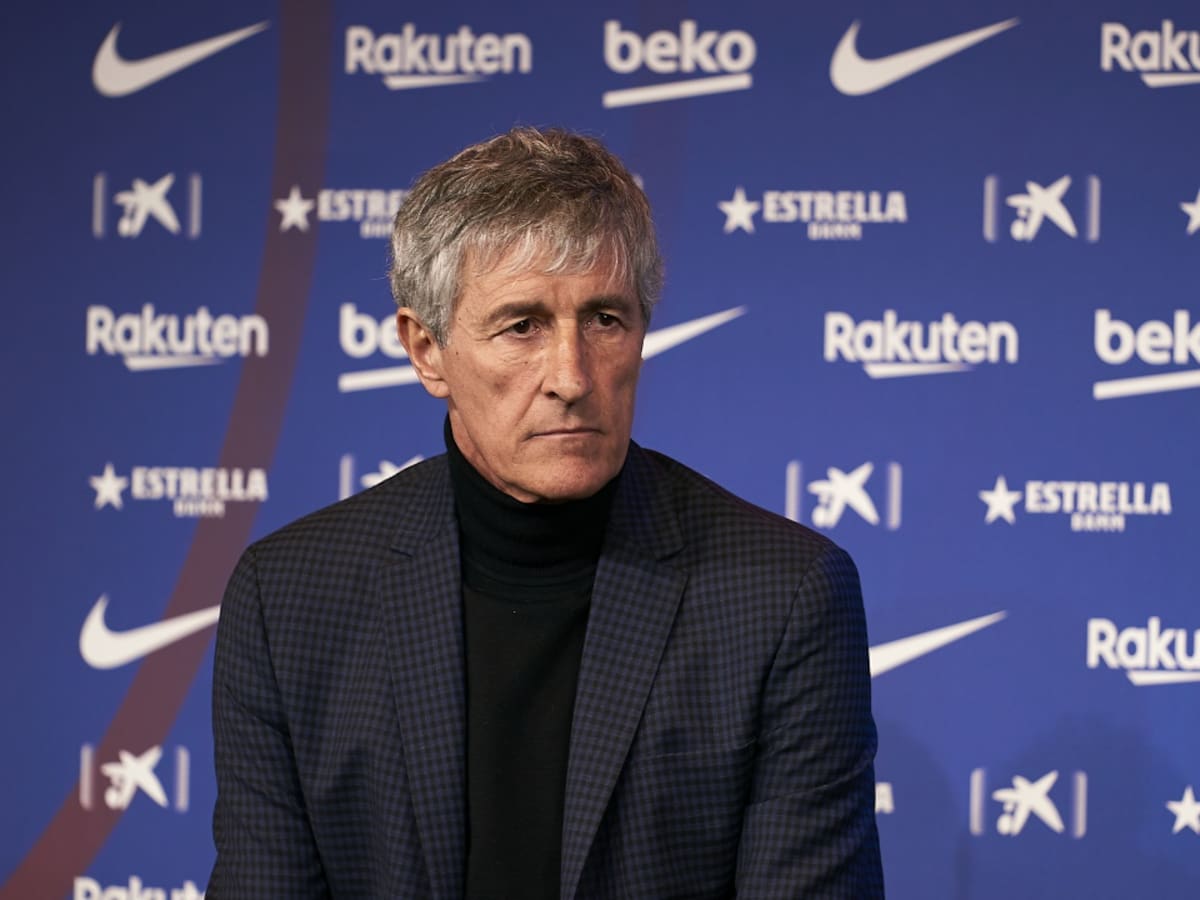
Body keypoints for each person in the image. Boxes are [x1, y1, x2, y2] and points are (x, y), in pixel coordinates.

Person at [208, 127, 883, 898]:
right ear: (426, 350)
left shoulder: (780, 596)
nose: (572, 376)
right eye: (522, 325)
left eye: (604, 320)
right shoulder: (290, 600)